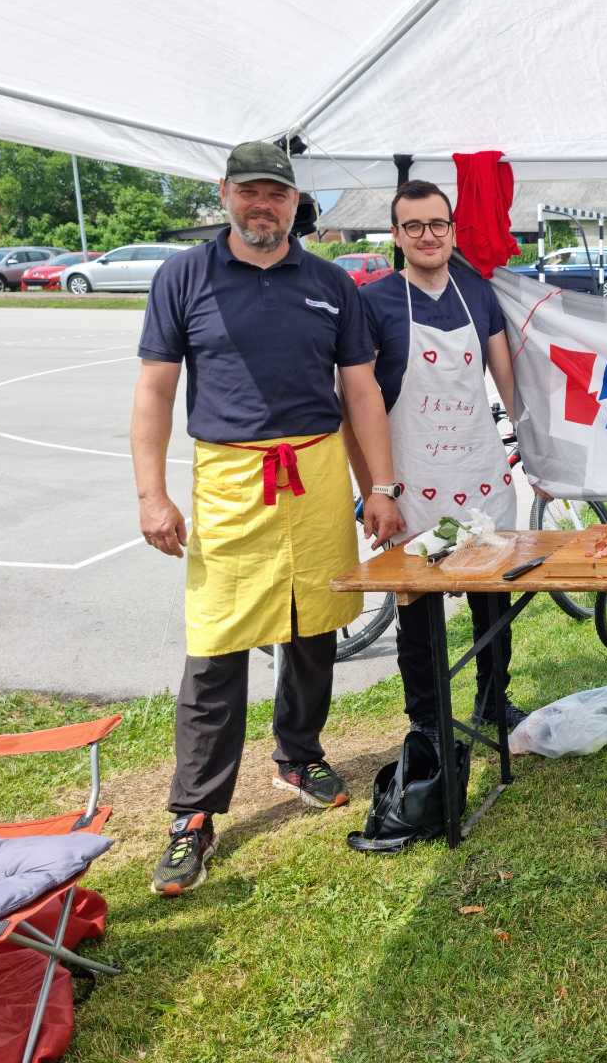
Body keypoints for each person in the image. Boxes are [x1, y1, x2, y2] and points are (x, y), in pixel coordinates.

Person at [132, 140, 405, 896]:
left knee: (314, 626)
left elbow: (360, 392)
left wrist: (380, 486)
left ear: (294, 203)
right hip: (230, 478)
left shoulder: (330, 283)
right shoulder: (184, 276)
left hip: (314, 472)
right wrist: (152, 494)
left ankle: (299, 754)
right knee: (216, 643)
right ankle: (193, 813)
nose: (263, 205)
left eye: (277, 194)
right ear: (225, 194)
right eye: (250, 191)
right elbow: (155, 390)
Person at [346, 179, 529, 745]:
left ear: (452, 230)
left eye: (437, 224)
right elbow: (357, 403)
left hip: (478, 470)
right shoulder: (373, 302)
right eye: (414, 226)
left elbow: (506, 377)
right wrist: (374, 489)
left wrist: (535, 445)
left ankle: (493, 700)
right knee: (418, 608)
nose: (428, 236)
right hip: (412, 479)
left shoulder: (477, 292)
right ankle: (427, 720)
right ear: (396, 235)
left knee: (492, 598)